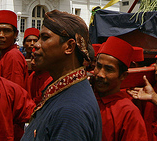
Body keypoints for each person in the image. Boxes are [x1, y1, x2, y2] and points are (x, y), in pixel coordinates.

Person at [21, 10, 102, 140]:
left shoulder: (71, 110)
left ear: (69, 47)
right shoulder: (66, 92)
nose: (36, 44)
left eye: (45, 38)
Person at [93, 36, 147, 141]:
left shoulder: (128, 112)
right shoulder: (86, 97)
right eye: (98, 66)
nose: (100, 74)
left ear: (123, 75)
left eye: (109, 69)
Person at [0, 10, 28, 88]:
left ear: (15, 34)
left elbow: (14, 92)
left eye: (7, 31)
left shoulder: (13, 56)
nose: (1, 35)